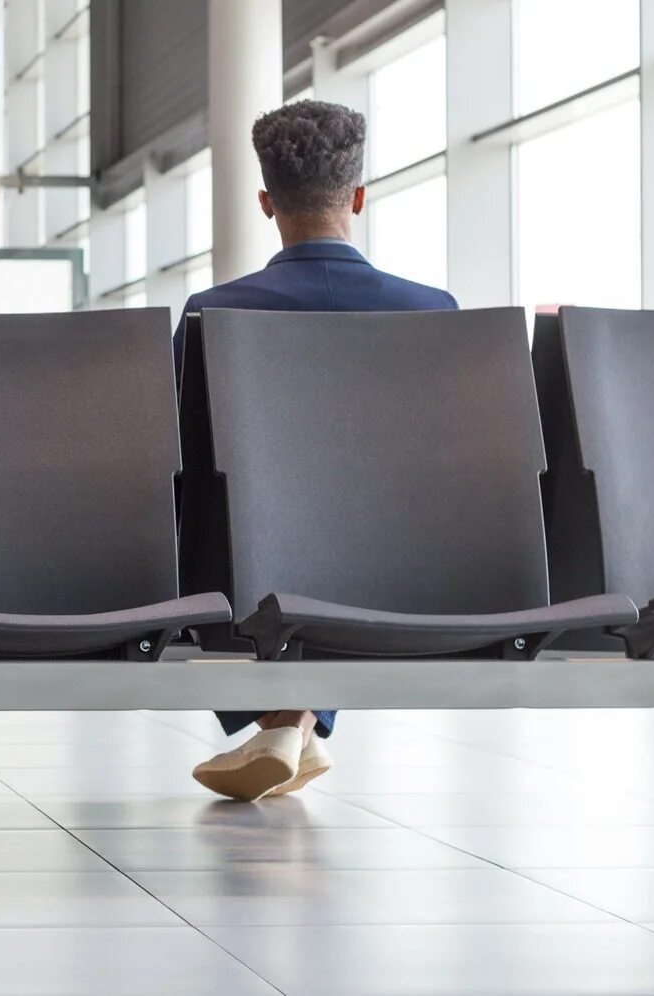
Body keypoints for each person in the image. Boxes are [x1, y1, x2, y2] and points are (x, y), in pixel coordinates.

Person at [180, 100, 458, 803]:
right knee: (359, 532)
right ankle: (295, 720)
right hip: (406, 573)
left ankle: (286, 718)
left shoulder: (211, 314)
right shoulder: (435, 313)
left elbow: (181, 463)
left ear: (266, 202)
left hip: (247, 578)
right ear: (359, 197)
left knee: (260, 530)